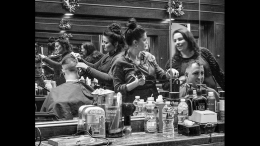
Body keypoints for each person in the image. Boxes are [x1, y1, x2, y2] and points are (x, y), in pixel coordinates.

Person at [111, 20, 175, 103]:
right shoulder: (120, 62)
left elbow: (161, 74)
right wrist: (136, 83)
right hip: (133, 105)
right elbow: (118, 88)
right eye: (144, 40)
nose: (147, 42)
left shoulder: (148, 57)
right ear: (135, 43)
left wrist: (169, 74)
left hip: (152, 102)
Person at [40, 56, 94, 120]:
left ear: (63, 72)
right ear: (79, 71)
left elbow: (42, 117)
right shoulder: (91, 91)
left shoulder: (54, 93)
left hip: (60, 128)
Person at [76, 23, 125, 90]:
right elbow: (95, 67)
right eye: (102, 41)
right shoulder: (108, 54)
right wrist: (80, 60)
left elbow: (110, 79)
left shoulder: (119, 57)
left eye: (106, 42)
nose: (102, 44)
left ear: (116, 44)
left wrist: (86, 68)